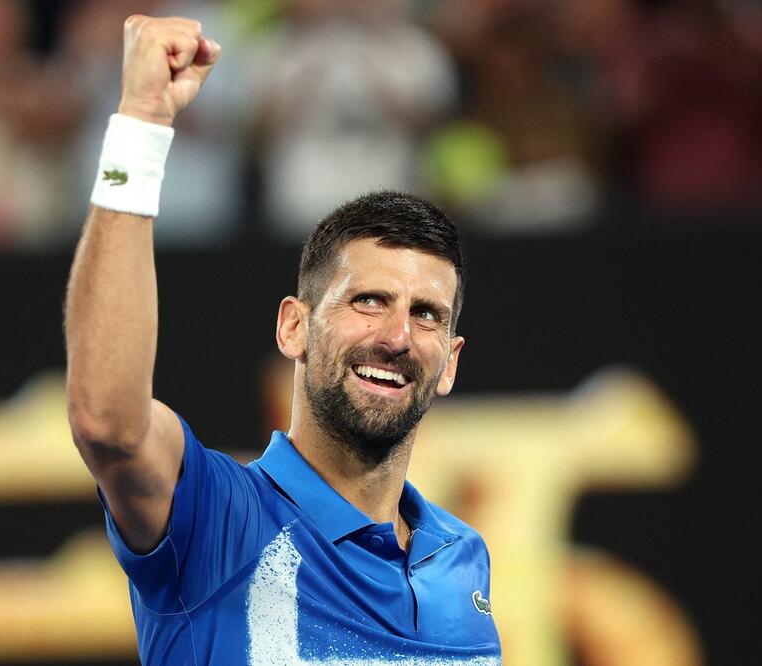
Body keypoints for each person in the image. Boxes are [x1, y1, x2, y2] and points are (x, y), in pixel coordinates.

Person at [64, 15, 501, 664]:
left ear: (450, 363)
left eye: (427, 314)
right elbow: (107, 421)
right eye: (368, 301)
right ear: (293, 326)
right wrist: (141, 122)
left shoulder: (462, 559)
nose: (398, 336)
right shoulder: (215, 519)